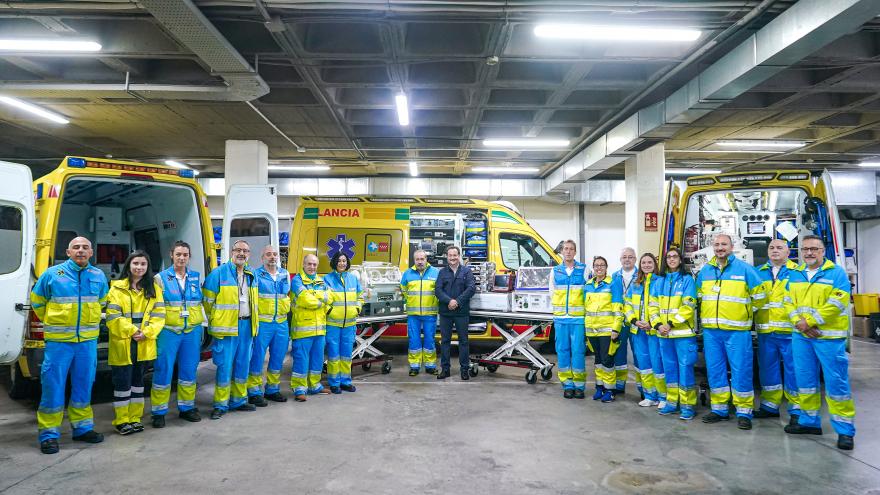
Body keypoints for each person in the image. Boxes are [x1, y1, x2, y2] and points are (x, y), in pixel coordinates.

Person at [31, 237, 108, 454]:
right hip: (59, 344)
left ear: (91, 252)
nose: (81, 251)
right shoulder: (53, 274)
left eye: (85, 247)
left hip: (87, 343)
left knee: (84, 385)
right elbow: (37, 301)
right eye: (76, 247)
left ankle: (82, 428)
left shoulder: (98, 275)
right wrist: (53, 322)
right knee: (53, 387)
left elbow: (101, 301)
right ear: (68, 251)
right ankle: (49, 435)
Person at [783, 235, 855, 450]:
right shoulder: (794, 274)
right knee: (805, 380)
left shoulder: (836, 273)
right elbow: (788, 302)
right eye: (805, 249)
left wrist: (810, 322)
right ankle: (809, 421)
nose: (809, 253)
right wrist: (799, 323)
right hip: (801, 337)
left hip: (829, 337)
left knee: (837, 384)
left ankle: (845, 431)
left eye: (814, 249)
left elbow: (838, 302)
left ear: (823, 251)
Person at [697, 233, 765, 430]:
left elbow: (760, 297)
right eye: (717, 244)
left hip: (737, 331)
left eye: (724, 244)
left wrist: (744, 313)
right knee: (715, 370)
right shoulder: (706, 271)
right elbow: (699, 295)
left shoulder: (745, 270)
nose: (720, 248)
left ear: (732, 246)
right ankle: (719, 409)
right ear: (712, 247)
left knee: (741, 370)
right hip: (711, 332)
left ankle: (744, 411)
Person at [106, 250, 165, 435]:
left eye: (143, 264)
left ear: (148, 268)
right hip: (123, 342)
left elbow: (160, 316)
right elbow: (112, 316)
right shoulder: (116, 289)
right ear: (129, 266)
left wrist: (146, 333)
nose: (139, 267)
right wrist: (133, 331)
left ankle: (135, 418)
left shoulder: (154, 290)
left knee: (139, 383)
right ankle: (122, 420)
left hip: (144, 342)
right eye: (135, 264)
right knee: (122, 383)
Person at [203, 239, 259, 420]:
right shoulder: (218, 274)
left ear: (249, 255)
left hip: (247, 326)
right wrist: (218, 320)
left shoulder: (252, 275)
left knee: (243, 364)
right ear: (231, 252)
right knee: (225, 366)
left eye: (245, 251)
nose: (242, 253)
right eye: (238, 250)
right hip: (227, 328)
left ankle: (239, 400)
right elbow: (207, 303)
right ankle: (221, 404)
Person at [151, 241, 205, 428]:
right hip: (168, 332)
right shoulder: (160, 278)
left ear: (189, 257)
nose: (182, 258)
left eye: (185, 255)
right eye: (178, 254)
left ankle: (187, 407)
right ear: (171, 255)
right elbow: (155, 306)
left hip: (191, 331)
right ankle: (158, 411)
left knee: (189, 370)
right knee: (163, 369)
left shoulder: (195, 277)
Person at [753, 239, 800, 422]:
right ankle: (769, 406)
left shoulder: (798, 273)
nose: (775, 250)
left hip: (790, 332)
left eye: (780, 248)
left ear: (788, 253)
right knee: (767, 369)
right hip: (766, 332)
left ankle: (796, 410)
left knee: (793, 371)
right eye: (771, 247)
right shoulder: (758, 273)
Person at [649, 247, 698, 420]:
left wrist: (670, 323)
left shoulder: (687, 280)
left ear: (680, 259)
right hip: (664, 335)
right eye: (668, 257)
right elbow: (652, 306)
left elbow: (688, 306)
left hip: (683, 335)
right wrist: (657, 324)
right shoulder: (659, 281)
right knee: (669, 369)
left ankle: (687, 406)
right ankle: (671, 402)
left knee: (685, 369)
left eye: (675, 256)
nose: (671, 259)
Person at [247, 245, 291, 405]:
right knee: (257, 358)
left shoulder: (284, 274)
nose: (272, 257)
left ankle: (272, 389)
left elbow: (287, 295)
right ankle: (254, 391)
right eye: (268, 254)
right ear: (262, 258)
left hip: (281, 323)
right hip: (263, 323)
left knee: (278, 358)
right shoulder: (256, 275)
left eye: (274, 254)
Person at [549, 240, 587, 399]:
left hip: (578, 319)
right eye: (566, 249)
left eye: (571, 249)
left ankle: (579, 385)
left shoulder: (584, 269)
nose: (569, 252)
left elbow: (588, 294)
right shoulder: (555, 271)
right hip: (561, 319)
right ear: (562, 252)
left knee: (578, 351)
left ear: (575, 252)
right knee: (562, 351)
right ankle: (567, 384)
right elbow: (552, 292)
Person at [290, 254, 331, 401]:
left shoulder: (321, 281)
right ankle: (299, 388)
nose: (312, 267)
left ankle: (315, 386)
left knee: (317, 360)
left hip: (319, 329)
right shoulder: (296, 280)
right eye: (309, 264)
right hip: (302, 329)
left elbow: (330, 298)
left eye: (314, 264)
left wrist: (314, 296)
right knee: (301, 360)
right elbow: (305, 300)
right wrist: (320, 301)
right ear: (303, 264)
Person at [584, 256, 624, 403]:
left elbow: (619, 309)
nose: (599, 268)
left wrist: (616, 329)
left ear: (606, 268)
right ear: (593, 268)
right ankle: (599, 387)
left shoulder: (613, 284)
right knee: (598, 360)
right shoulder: (588, 285)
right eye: (596, 265)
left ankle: (610, 390)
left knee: (608, 361)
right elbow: (585, 309)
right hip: (591, 330)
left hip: (607, 330)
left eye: (602, 265)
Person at [324, 252, 364, 393]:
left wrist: (358, 308)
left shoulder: (353, 279)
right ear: (335, 262)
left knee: (347, 354)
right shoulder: (327, 279)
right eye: (339, 261)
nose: (342, 263)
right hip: (333, 324)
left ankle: (345, 381)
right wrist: (329, 311)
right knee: (334, 355)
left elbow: (361, 295)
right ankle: (334, 383)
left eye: (344, 261)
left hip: (349, 324)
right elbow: (323, 299)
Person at [624, 253, 660, 407]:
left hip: (654, 331)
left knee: (657, 363)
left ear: (655, 264)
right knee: (644, 364)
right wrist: (635, 321)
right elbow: (627, 304)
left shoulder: (660, 282)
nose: (646, 265)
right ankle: (649, 395)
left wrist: (653, 323)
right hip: (638, 330)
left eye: (649, 262)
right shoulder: (635, 284)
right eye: (644, 262)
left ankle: (662, 397)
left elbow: (664, 306)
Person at [434, 245, 476, 380]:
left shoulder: (467, 272)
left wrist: (457, 301)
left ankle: (465, 369)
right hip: (446, 312)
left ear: (459, 256)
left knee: (463, 341)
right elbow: (438, 290)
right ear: (447, 257)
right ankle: (445, 369)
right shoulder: (441, 273)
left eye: (455, 255)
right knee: (445, 341)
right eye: (450, 255)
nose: (452, 258)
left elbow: (471, 288)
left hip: (461, 312)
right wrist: (449, 302)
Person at [400, 249, 440, 376]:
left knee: (430, 340)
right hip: (413, 315)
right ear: (414, 260)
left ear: (426, 259)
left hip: (430, 313)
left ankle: (430, 366)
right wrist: (409, 301)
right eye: (417, 259)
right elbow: (403, 290)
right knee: (414, 340)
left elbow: (440, 290)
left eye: (422, 259)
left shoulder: (435, 272)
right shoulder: (407, 273)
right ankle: (414, 366)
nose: (420, 262)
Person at [610, 247, 638, 396]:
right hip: (620, 321)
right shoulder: (614, 276)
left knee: (639, 354)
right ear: (620, 260)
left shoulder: (642, 276)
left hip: (636, 321)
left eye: (630, 257)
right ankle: (620, 385)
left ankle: (643, 389)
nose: (627, 259)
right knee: (619, 354)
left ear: (635, 259)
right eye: (624, 257)